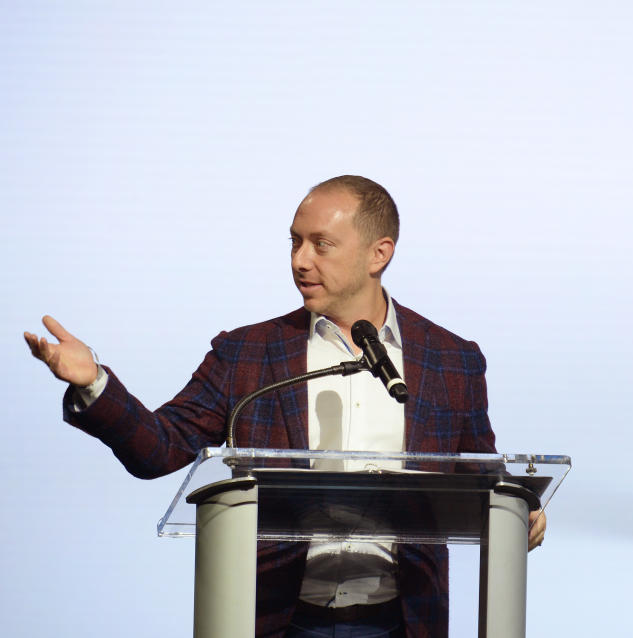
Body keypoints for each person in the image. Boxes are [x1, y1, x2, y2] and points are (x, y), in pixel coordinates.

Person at [24, 175, 546, 638]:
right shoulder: (247, 353)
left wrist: (519, 509)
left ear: (378, 254)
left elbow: (480, 474)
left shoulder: (452, 359)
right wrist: (94, 382)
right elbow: (159, 450)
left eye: (322, 244)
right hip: (277, 619)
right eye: (295, 242)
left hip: (406, 620)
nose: (300, 260)